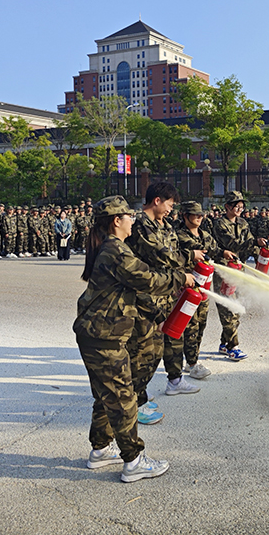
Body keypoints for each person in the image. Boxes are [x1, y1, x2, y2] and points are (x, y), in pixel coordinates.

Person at [73, 195, 191, 483]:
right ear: (117, 221)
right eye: (129, 216)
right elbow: (148, 280)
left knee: (106, 395)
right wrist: (181, 278)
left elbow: (136, 291)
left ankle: (101, 449)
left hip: (99, 333)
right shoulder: (115, 250)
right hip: (103, 336)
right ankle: (133, 461)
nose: (133, 220)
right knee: (123, 398)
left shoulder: (113, 247)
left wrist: (157, 313)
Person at [126, 183, 199, 408]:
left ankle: (170, 382)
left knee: (164, 345)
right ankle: (134, 402)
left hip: (167, 294)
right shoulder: (140, 225)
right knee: (143, 352)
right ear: (157, 200)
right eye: (169, 204)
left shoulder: (165, 225)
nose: (171, 209)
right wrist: (190, 257)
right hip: (146, 298)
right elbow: (162, 256)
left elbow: (172, 255)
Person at [175, 201, 235, 379]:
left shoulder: (205, 235)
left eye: (201, 215)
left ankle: (191, 360)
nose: (199, 218)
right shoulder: (178, 236)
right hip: (187, 287)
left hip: (203, 288)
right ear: (185, 216)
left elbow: (214, 249)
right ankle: (192, 364)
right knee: (190, 325)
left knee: (201, 324)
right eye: (195, 215)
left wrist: (224, 253)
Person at [213, 191, 267, 360]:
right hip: (224, 271)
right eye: (236, 206)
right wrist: (254, 242)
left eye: (241, 206)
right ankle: (232, 346)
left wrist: (261, 253)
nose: (239, 209)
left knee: (238, 308)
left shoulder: (243, 223)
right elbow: (232, 244)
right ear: (227, 206)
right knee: (228, 308)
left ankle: (224, 343)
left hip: (239, 270)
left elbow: (250, 243)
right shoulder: (219, 224)